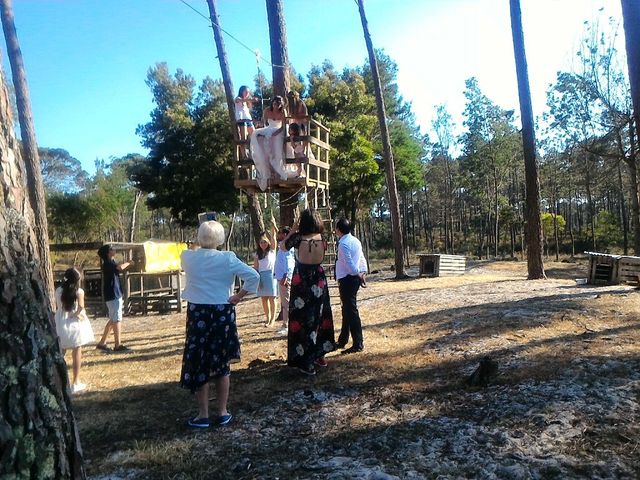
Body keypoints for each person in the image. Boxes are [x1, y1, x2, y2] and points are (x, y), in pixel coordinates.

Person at [179, 220, 259, 428]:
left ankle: (203, 415)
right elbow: (254, 276)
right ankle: (222, 412)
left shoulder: (187, 257)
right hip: (222, 311)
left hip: (198, 314)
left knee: (200, 363)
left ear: (199, 237)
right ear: (221, 238)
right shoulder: (228, 258)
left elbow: (192, 253)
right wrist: (239, 296)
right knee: (221, 363)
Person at [285, 208, 335, 375]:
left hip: (302, 282)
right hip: (319, 279)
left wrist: (292, 229)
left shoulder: (298, 238)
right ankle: (319, 355)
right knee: (319, 317)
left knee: (303, 321)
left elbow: (282, 247)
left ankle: (306, 361)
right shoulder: (323, 238)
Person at [54, 268, 95, 394]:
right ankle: (75, 382)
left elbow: (59, 305)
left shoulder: (59, 290)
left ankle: (57, 381)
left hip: (60, 321)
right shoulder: (79, 291)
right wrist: (76, 314)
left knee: (60, 352)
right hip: (74, 323)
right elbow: (81, 306)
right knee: (77, 351)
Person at [335, 218, 368, 354]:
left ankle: (358, 343)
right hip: (353, 278)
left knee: (351, 311)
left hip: (348, 279)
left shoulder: (343, 244)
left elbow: (349, 264)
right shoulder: (355, 240)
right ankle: (343, 339)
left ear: (339, 230)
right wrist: (363, 271)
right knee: (347, 309)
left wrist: (358, 273)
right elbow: (361, 258)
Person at [95, 244, 132, 353]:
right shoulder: (108, 263)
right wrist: (129, 262)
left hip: (114, 294)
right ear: (108, 253)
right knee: (116, 320)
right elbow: (120, 268)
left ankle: (102, 343)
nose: (114, 250)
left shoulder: (111, 262)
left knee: (113, 320)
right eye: (112, 249)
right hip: (113, 294)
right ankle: (117, 345)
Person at [250, 96, 290, 190]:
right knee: (256, 134)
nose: (276, 106)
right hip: (269, 129)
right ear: (272, 103)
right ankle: (265, 168)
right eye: (275, 103)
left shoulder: (283, 112)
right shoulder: (267, 110)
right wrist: (261, 129)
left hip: (279, 130)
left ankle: (278, 170)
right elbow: (264, 123)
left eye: (279, 104)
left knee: (276, 143)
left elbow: (283, 126)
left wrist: (277, 132)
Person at [271, 216, 295, 335]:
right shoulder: (283, 245)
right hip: (283, 277)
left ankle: (287, 325)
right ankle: (286, 324)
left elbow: (289, 262)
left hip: (285, 278)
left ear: (285, 235)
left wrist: (286, 275)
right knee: (285, 302)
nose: (278, 234)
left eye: (280, 233)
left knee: (286, 302)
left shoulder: (286, 247)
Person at [254, 230, 278, 327]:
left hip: (271, 275)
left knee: (272, 298)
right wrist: (258, 280)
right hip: (261, 276)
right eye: (261, 242)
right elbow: (256, 268)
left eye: (265, 242)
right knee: (264, 299)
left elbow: (274, 241)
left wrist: (273, 232)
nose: (263, 244)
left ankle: (272, 319)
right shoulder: (257, 254)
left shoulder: (272, 251)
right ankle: (267, 318)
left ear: (268, 242)